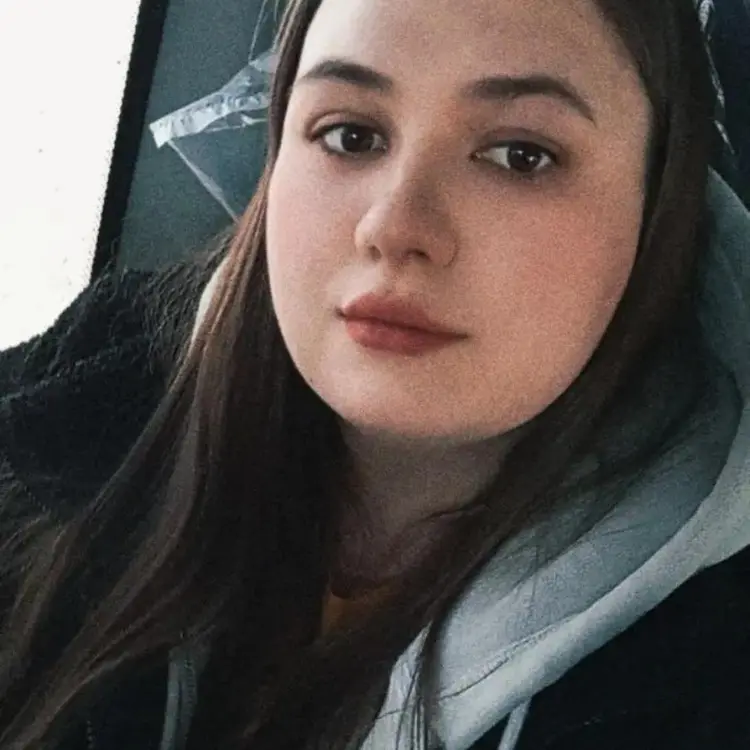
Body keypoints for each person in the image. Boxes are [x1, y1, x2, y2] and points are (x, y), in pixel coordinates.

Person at [0, 0, 748, 748]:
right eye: (350, 135)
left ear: (659, 209)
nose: (393, 227)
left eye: (521, 155)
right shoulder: (77, 400)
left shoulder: (709, 675)